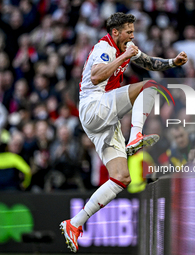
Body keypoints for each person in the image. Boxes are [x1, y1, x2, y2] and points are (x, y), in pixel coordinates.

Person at [59, 12, 188, 253]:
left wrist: (172, 63)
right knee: (149, 86)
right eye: (129, 31)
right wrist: (125, 57)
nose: (133, 35)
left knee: (121, 178)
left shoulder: (126, 47)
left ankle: (74, 224)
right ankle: (136, 135)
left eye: (133, 31)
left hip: (103, 119)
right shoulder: (104, 47)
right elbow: (97, 75)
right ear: (115, 32)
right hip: (93, 106)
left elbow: (149, 63)